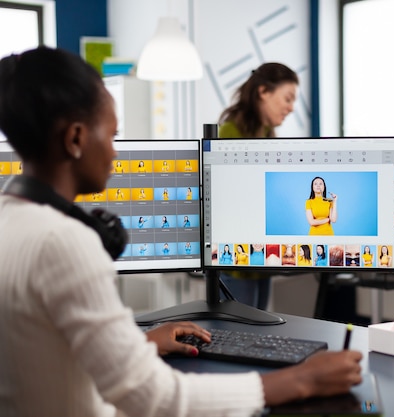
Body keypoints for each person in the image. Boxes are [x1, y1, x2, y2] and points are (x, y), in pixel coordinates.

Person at [0, 47, 362, 417]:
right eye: (112, 135)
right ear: (76, 138)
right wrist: (302, 380)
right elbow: (155, 397)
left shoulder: (9, 220)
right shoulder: (64, 243)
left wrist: (138, 344)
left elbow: (45, 347)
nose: (114, 152)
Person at [217, 62, 299, 309]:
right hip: (238, 259)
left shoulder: (265, 134)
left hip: (261, 256)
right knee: (239, 333)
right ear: (264, 92)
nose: (291, 108)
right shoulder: (230, 133)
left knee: (260, 329)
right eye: (287, 98)